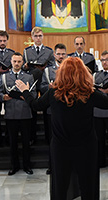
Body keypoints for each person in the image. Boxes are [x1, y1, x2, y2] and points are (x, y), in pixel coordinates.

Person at [16, 57, 108, 200]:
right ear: (83, 73)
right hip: (86, 146)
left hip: (61, 146)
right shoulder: (89, 93)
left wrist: (25, 91)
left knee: (60, 185)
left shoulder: (54, 93)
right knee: (88, 184)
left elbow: (35, 105)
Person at [0, 52, 36, 175]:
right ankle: (14, 166)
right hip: (11, 113)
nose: (17, 64)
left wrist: (27, 96)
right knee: (13, 142)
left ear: (23, 62)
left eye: (19, 61)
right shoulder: (4, 77)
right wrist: (3, 96)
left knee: (26, 142)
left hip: (25, 113)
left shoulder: (29, 77)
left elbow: (34, 93)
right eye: (14, 61)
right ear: (11, 62)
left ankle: (27, 166)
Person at [23, 26, 55, 145]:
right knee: (33, 108)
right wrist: (25, 67)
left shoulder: (49, 51)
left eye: (40, 36)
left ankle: (48, 137)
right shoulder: (27, 51)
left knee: (47, 109)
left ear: (43, 37)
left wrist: (43, 67)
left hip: (45, 81)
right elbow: (22, 67)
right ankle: (33, 137)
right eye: (36, 36)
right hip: (32, 82)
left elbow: (52, 66)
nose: (38, 38)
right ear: (32, 37)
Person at [40, 43, 67, 174]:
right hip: (51, 110)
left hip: (66, 109)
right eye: (59, 54)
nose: (61, 56)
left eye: (63, 54)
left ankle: (65, 165)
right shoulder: (47, 70)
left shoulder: (69, 69)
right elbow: (42, 86)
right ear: (54, 55)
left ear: (66, 55)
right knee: (51, 139)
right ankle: (52, 165)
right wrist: (49, 88)